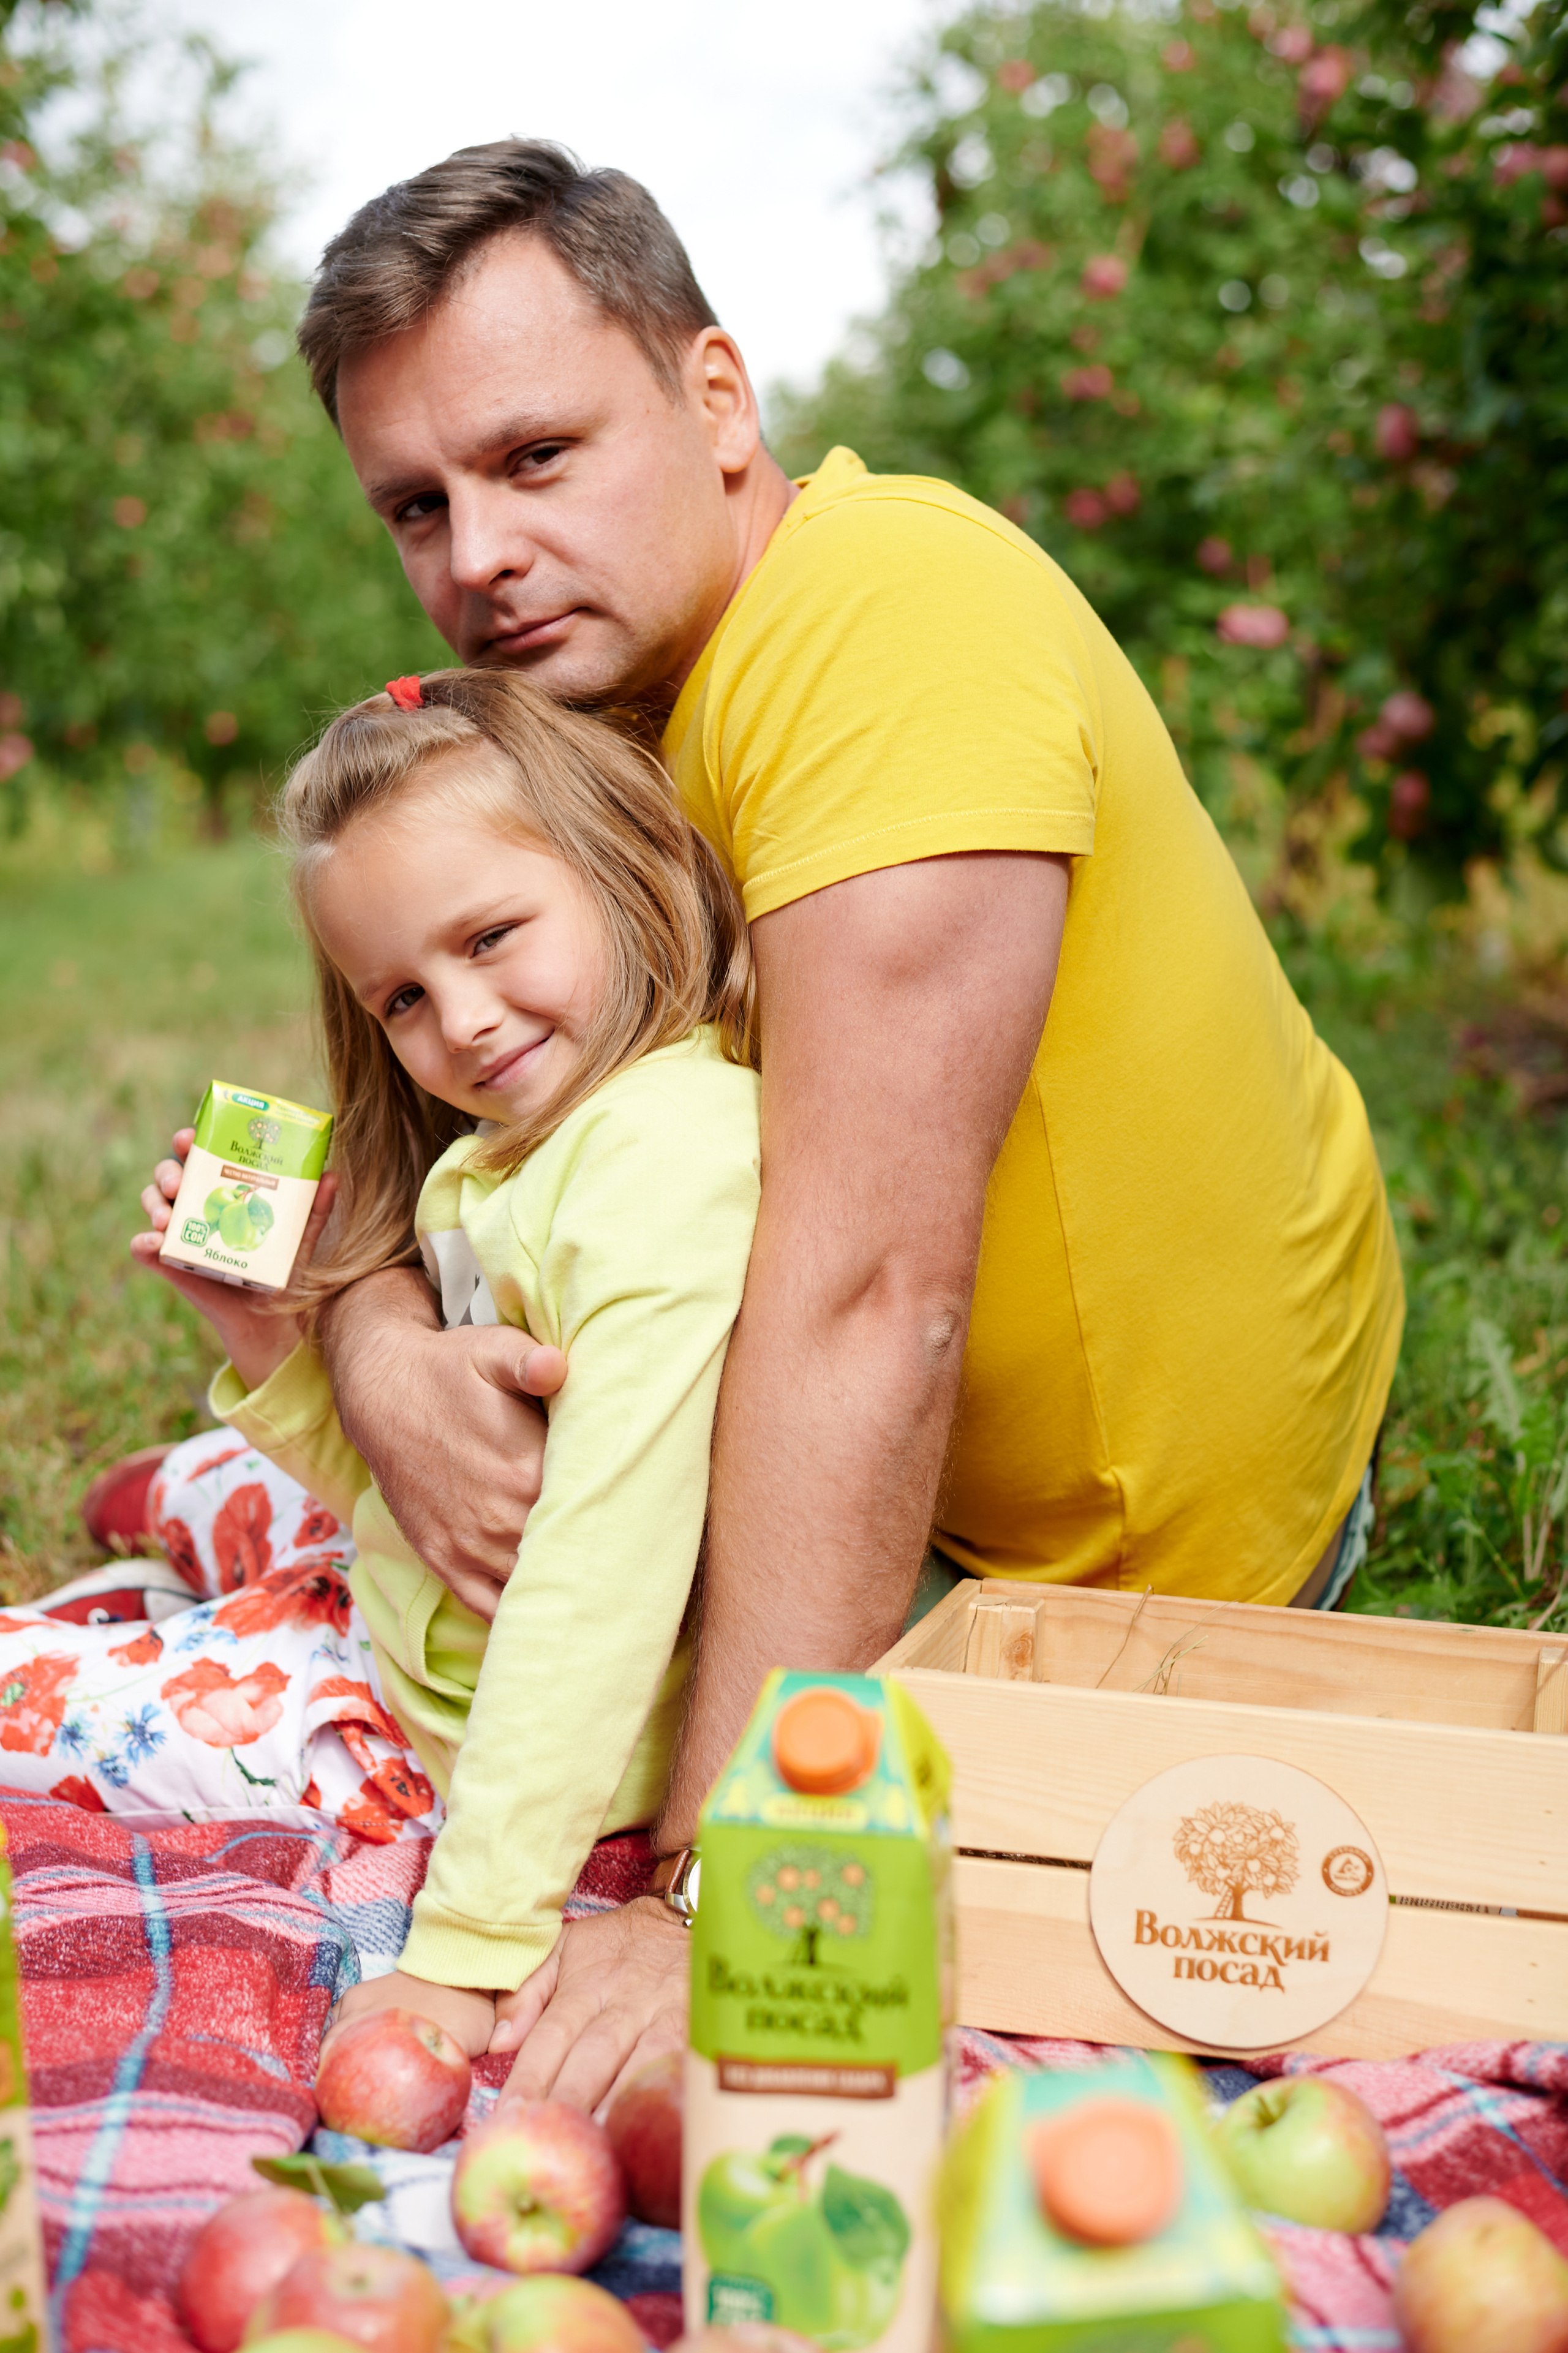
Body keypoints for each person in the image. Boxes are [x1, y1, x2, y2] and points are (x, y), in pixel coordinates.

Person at [128, 140, 1403, 2106]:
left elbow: (870, 1296)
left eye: (535, 456)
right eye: (418, 504)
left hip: (1133, 1578)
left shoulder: (883, 629)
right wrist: (377, 1352)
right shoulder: (603, 705)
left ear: (719, 401)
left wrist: (719, 1876)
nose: (475, 556)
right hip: (922, 1508)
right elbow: (423, 1110)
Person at [48, 667, 759, 2069]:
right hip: (420, 1596)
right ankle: (177, 1511)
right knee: (231, 1483)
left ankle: (170, 1548)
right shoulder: (537, 1145)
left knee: (32, 1688)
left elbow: (595, 1585)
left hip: (448, 1721)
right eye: (403, 1000)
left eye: (493, 938)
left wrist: (469, 1945)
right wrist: (265, 1330)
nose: (464, 1021)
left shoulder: (662, 1167)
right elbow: (440, 1489)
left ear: (627, 868)